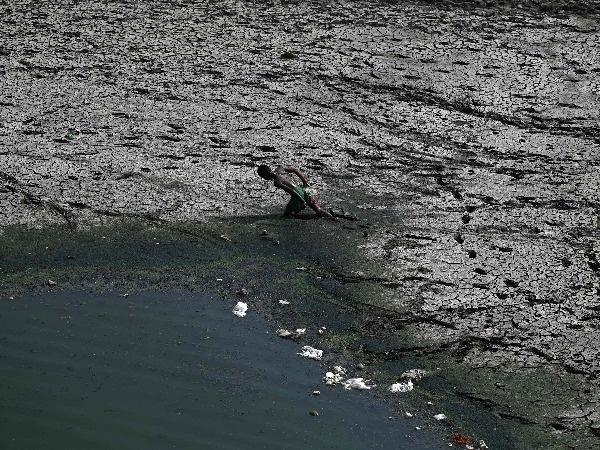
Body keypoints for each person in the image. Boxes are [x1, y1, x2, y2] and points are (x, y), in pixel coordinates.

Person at [257, 164, 333, 218]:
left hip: (298, 194)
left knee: (287, 215)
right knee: (318, 209)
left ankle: (301, 220)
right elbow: (295, 170)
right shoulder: (280, 168)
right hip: (304, 190)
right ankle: (333, 218)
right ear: (269, 168)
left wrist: (302, 201)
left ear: (265, 176)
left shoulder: (277, 182)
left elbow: (292, 191)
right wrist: (305, 182)